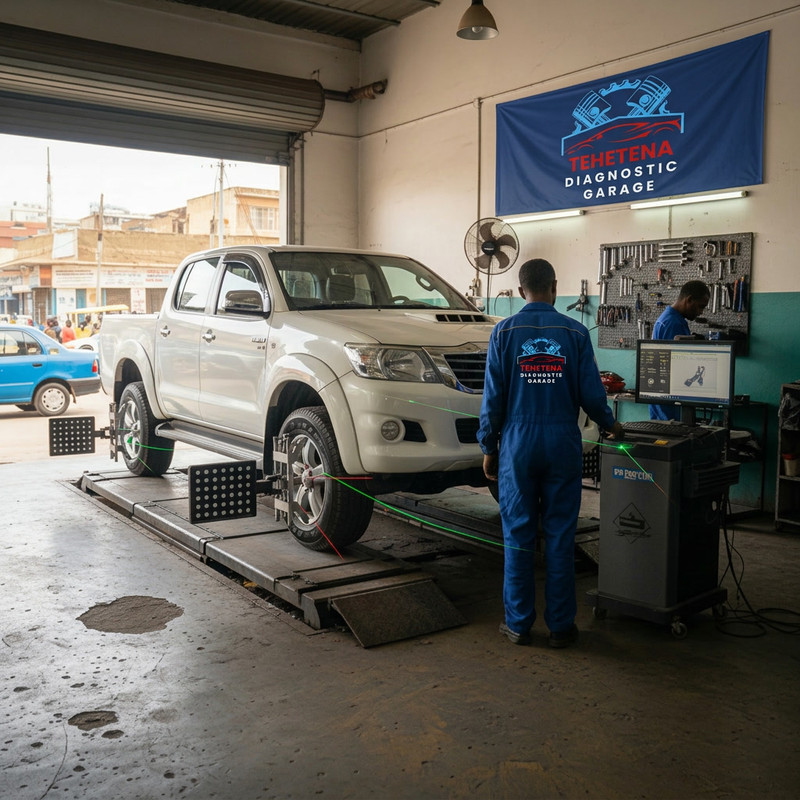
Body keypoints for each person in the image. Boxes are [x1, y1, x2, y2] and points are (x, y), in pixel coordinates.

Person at [478, 258, 623, 649]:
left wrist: (489, 446)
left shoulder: (503, 332)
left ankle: (518, 626)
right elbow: (592, 394)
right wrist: (612, 426)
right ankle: (561, 628)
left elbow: (493, 399)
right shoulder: (574, 332)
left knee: (519, 535)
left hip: (518, 443)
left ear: (522, 289)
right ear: (555, 287)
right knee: (560, 535)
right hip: (562, 442)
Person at [649, 280, 710, 421]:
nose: (701, 312)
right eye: (700, 307)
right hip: (669, 400)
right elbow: (679, 365)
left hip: (665, 398)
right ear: (689, 300)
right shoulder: (673, 324)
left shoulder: (671, 319)